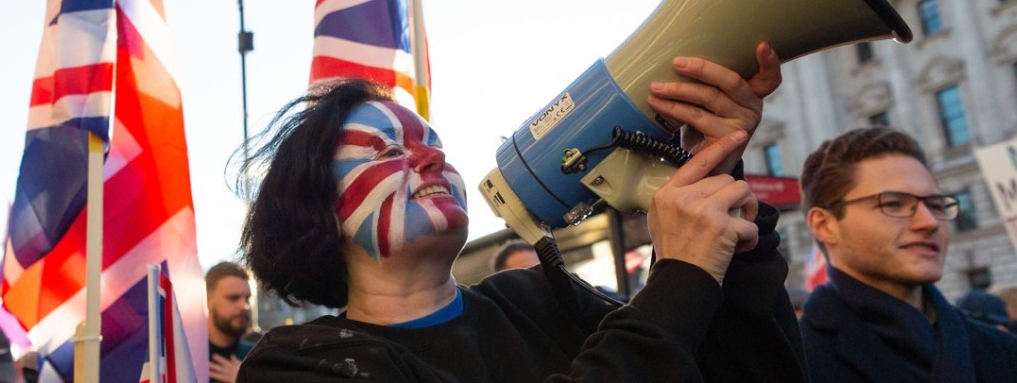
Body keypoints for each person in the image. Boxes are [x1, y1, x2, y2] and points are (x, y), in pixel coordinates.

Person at [235, 44, 807, 382]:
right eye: (386, 151)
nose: (431, 155)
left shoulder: (535, 299)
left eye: (433, 143)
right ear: (318, 211)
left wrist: (713, 181)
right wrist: (680, 279)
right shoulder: (297, 365)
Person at [798, 126, 1017, 381]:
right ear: (825, 225)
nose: (929, 222)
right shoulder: (792, 362)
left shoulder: (1002, 349)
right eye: (893, 204)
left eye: (935, 205)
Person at [206, 261, 254, 383]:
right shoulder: (185, 355)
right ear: (208, 300)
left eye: (247, 298)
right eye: (233, 298)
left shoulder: (256, 356)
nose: (244, 306)